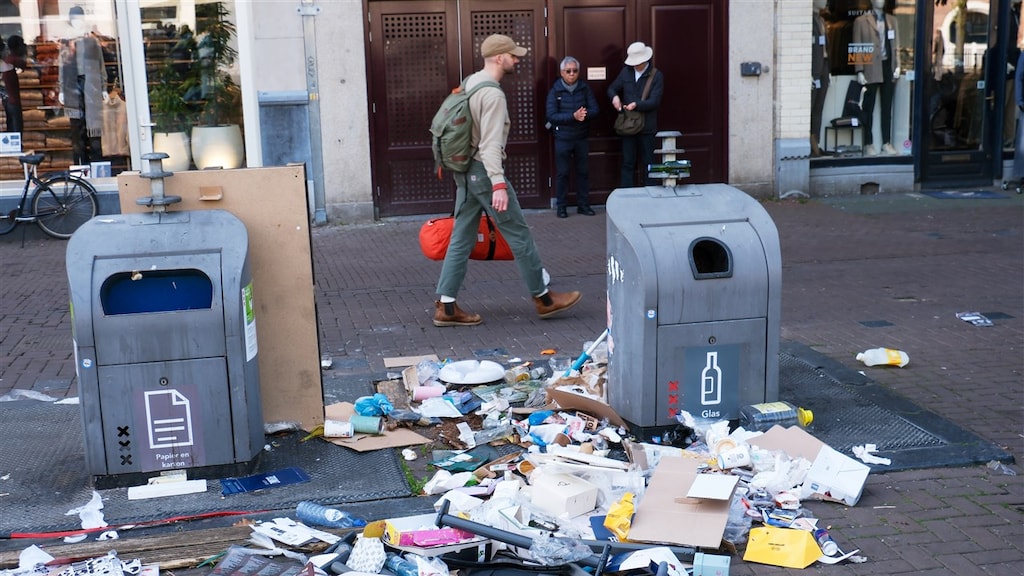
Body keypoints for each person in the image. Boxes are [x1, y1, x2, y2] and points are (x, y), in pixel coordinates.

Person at [433, 34, 582, 327]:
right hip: (484, 173)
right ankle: (544, 299)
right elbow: (489, 145)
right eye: (513, 56)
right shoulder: (493, 94)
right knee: (519, 234)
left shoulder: (471, 81)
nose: (517, 60)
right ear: (499, 58)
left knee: (462, 236)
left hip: (465, 171)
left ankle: (446, 306)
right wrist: (498, 183)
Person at [545, 56, 599, 218]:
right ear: (562, 72)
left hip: (581, 137)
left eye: (575, 71)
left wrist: (584, 114)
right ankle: (562, 207)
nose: (572, 74)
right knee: (563, 173)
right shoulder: (555, 90)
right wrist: (572, 116)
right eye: (568, 71)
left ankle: (583, 205)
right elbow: (551, 115)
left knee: (583, 172)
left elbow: (595, 109)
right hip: (562, 138)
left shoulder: (584, 88)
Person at [607, 41, 663, 187]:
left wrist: (637, 105)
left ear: (645, 60)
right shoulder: (626, 72)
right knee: (627, 163)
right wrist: (615, 97)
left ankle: (651, 194)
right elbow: (612, 88)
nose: (635, 65)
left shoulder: (656, 76)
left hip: (647, 127)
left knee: (649, 163)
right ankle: (627, 195)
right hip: (628, 126)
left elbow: (655, 102)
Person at [59, 5, 107, 164]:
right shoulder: (66, 42)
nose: (77, 22)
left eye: (79, 19)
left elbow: (100, 65)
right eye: (74, 19)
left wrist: (104, 87)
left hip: (90, 84)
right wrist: (61, 90)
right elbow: (62, 65)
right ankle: (81, 166)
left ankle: (98, 165)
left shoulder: (92, 41)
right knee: (76, 128)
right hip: (72, 86)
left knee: (93, 126)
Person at [853, 0, 899, 156]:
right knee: (869, 108)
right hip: (870, 68)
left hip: (887, 68)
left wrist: (897, 65)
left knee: (887, 107)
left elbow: (895, 45)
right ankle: (868, 143)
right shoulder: (861, 21)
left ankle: (886, 142)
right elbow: (857, 46)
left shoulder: (892, 20)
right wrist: (859, 70)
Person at [810, 0, 829, 157]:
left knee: (818, 109)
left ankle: (816, 143)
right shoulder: (807, 20)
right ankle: (809, 144)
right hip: (813, 71)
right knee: (810, 108)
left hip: (823, 69)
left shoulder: (821, 20)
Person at [2, 35, 27, 134]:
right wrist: (26, 54)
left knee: (11, 127)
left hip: (8, 100)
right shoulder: (14, 60)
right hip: (13, 100)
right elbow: (24, 64)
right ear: (17, 47)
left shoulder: (8, 60)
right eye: (22, 45)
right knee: (16, 129)